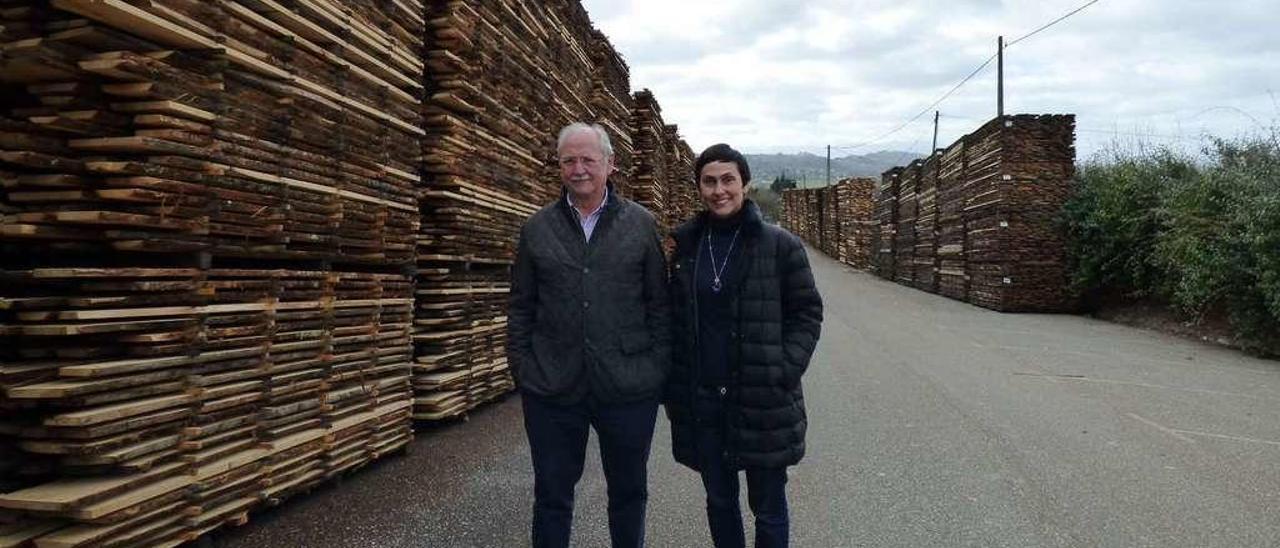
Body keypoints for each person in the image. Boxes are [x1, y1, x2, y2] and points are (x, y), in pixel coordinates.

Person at [507, 122, 672, 548]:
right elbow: (522, 306)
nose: (578, 169)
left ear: (610, 165)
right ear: (559, 166)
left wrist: (654, 369)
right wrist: (524, 369)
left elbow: (660, 306)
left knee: (629, 492)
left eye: (588, 159)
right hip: (553, 387)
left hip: (628, 385)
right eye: (569, 160)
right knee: (552, 495)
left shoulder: (640, 225)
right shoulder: (537, 229)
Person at [664, 143, 823, 548]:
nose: (719, 190)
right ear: (699, 187)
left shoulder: (780, 245)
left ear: (745, 185)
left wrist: (783, 370)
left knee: (768, 507)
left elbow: (807, 313)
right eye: (709, 181)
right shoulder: (687, 248)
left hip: (761, 398)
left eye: (728, 180)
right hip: (705, 400)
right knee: (719, 502)